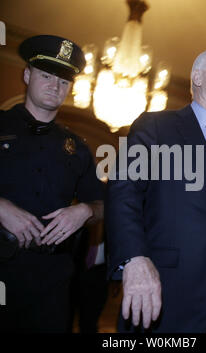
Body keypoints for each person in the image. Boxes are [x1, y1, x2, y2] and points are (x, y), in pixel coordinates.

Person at [106, 45, 206, 333]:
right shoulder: (156, 127)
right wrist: (134, 258)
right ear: (198, 77)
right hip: (167, 293)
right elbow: (124, 192)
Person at [0, 35, 104, 332]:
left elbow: (102, 203)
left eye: (63, 81)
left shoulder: (78, 147)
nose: (55, 86)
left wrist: (84, 210)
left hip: (53, 283)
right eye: (46, 75)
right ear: (27, 74)